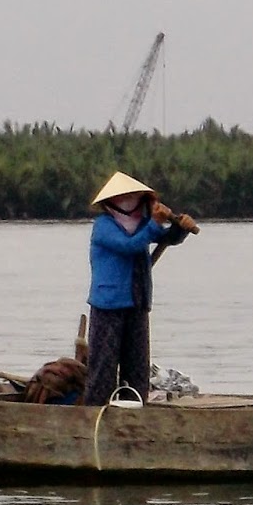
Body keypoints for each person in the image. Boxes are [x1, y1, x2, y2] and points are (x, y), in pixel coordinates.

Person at [84, 171, 198, 407]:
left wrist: (180, 228)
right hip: (109, 303)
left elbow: (167, 238)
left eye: (134, 196)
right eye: (125, 196)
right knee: (104, 363)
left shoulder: (143, 224)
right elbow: (129, 246)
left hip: (138, 301)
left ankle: (134, 406)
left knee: (137, 362)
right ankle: (95, 409)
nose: (131, 200)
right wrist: (155, 223)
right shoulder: (104, 226)